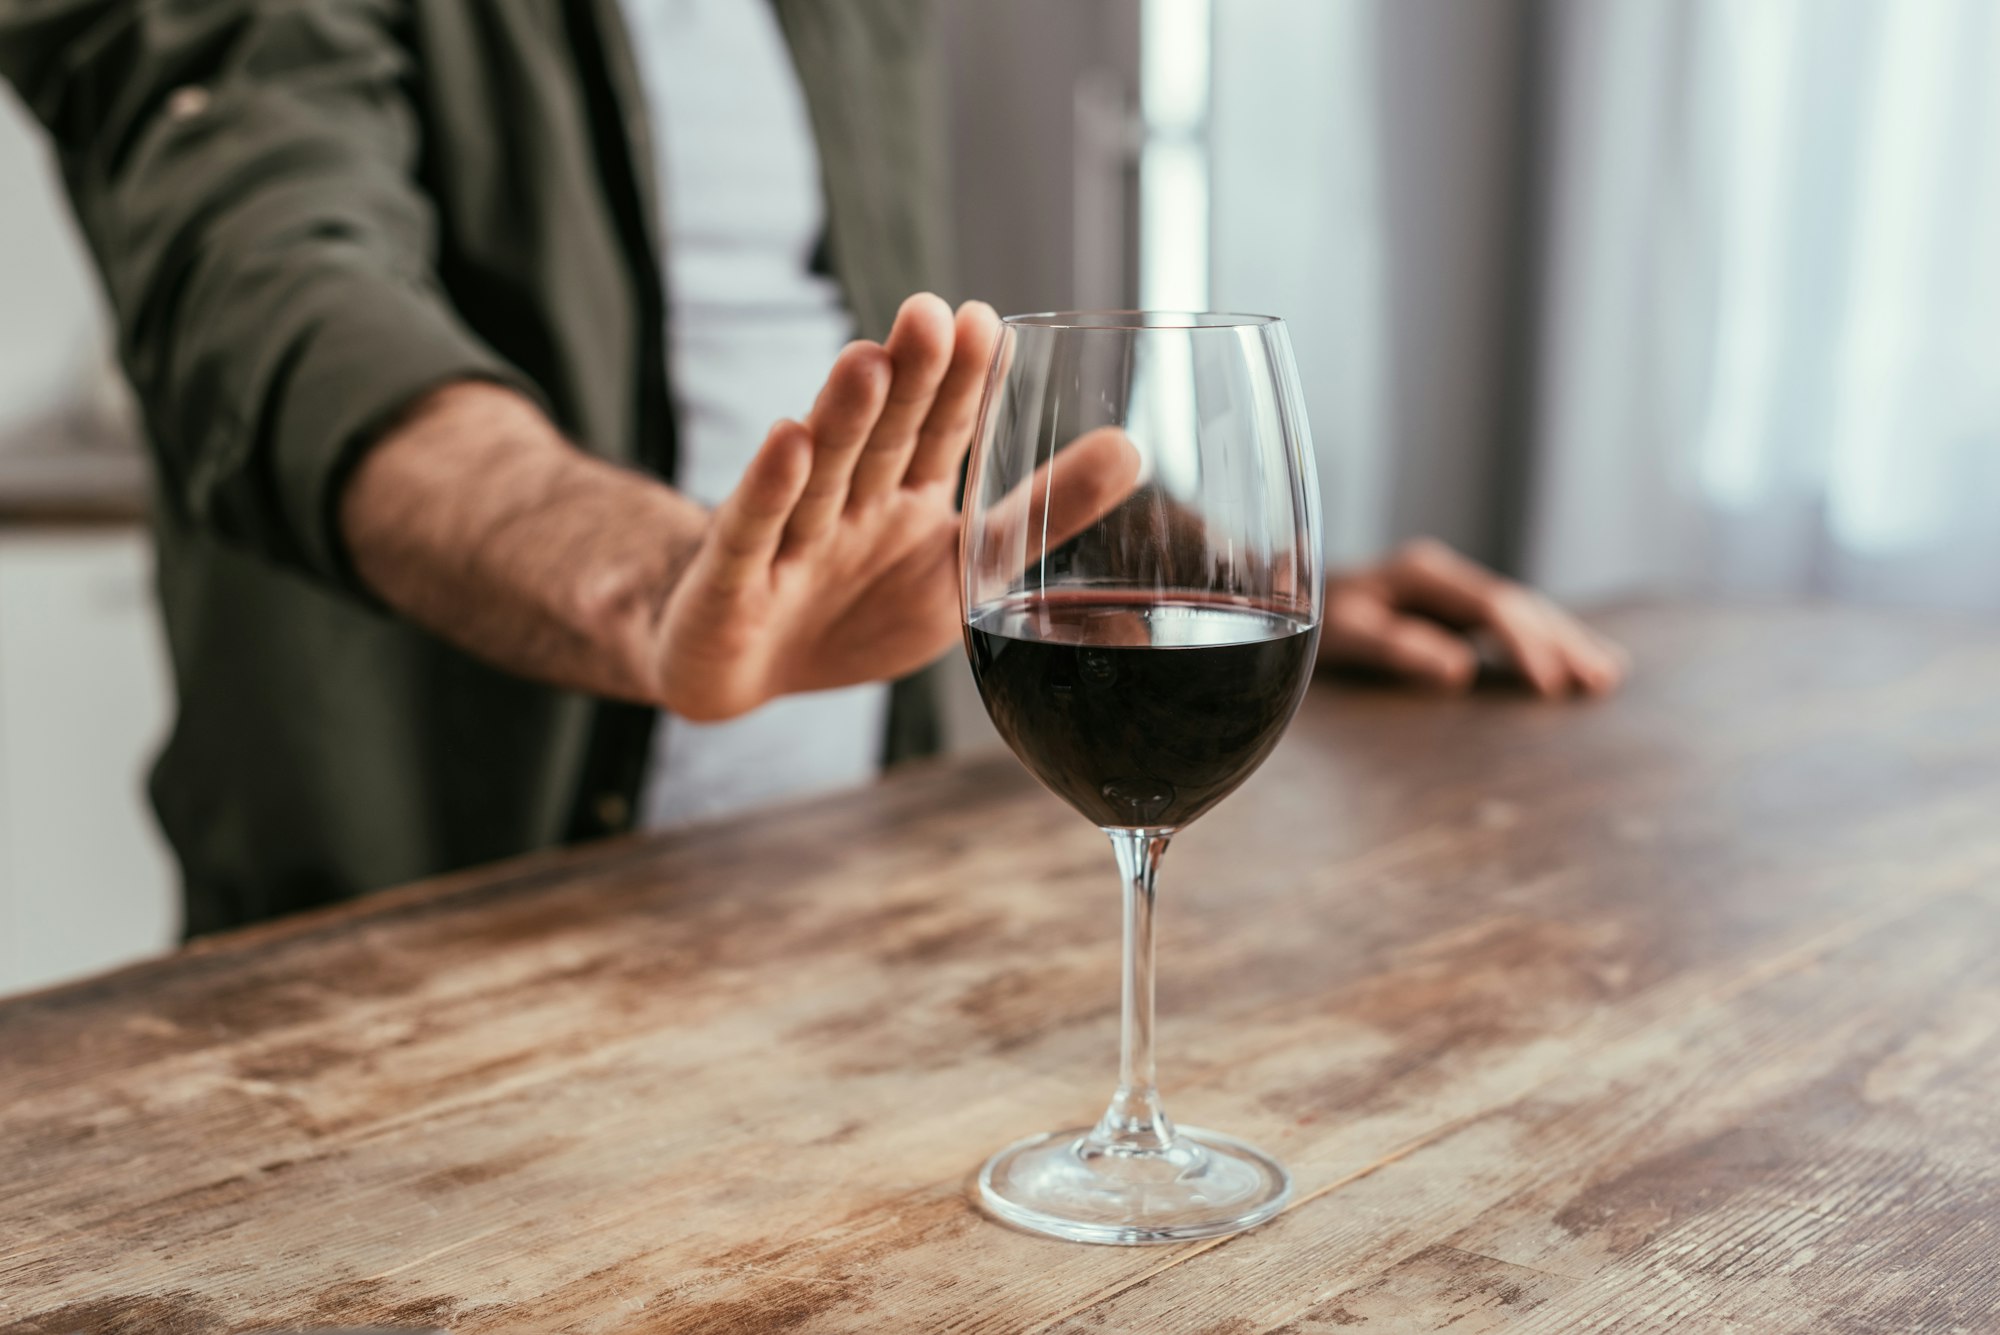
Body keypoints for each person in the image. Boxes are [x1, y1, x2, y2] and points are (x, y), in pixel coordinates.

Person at [0, 0, 1623, 937]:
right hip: (432, 950)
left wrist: (1218, 586)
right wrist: (638, 583)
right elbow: (272, 282)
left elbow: (896, 384)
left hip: (852, 907)